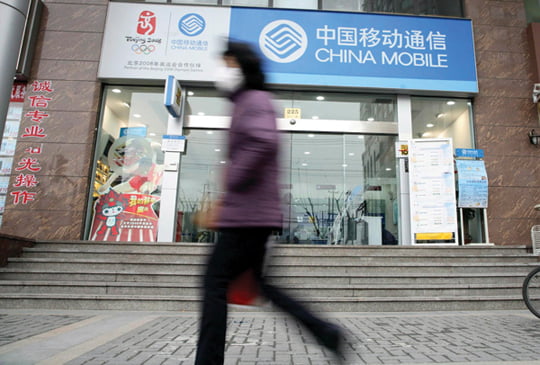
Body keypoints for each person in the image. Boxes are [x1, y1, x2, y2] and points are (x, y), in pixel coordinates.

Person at [194, 41, 346, 365]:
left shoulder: (254, 99)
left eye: (228, 64)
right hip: (252, 215)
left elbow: (262, 142)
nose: (222, 71)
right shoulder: (248, 101)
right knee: (260, 285)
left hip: (247, 216)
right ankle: (326, 333)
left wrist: (230, 184)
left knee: (214, 283)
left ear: (243, 66)